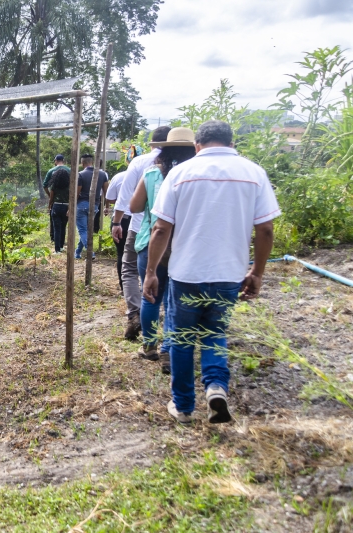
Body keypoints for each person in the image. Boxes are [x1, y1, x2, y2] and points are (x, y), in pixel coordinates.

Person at [142, 120, 280, 425]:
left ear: (197, 146)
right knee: (214, 333)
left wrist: (151, 271)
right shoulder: (253, 173)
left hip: (186, 273)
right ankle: (216, 387)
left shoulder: (180, 173)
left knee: (181, 339)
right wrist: (257, 272)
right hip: (228, 274)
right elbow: (266, 229)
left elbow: (161, 228)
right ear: (232, 144)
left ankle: (184, 407)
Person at [129, 127, 197, 375]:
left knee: (150, 295)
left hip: (152, 241)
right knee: (174, 300)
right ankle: (169, 348)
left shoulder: (151, 174)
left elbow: (135, 207)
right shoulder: (194, 175)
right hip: (183, 244)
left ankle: (149, 346)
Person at [112, 126, 171, 340]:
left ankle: (135, 314)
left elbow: (126, 198)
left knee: (129, 269)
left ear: (151, 143)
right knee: (169, 279)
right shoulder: (185, 164)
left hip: (141, 229)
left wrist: (116, 222)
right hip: (175, 234)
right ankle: (168, 337)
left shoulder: (141, 163)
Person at [74, 154, 108, 260]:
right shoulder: (103, 174)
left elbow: (77, 192)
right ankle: (78, 252)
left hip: (82, 204)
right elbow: (106, 192)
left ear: (82, 163)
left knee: (83, 230)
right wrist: (107, 206)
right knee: (86, 230)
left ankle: (90, 252)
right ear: (92, 162)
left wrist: (71, 207)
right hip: (95, 205)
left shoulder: (81, 174)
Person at [104, 170, 129, 292]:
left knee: (122, 253)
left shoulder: (119, 176)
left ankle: (124, 288)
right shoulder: (151, 174)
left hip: (122, 220)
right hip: (142, 220)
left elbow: (109, 197)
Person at [47, 167, 79, 253]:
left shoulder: (55, 185)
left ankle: (57, 249)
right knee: (63, 227)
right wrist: (70, 209)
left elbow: (51, 197)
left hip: (56, 206)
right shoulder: (69, 186)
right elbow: (71, 198)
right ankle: (61, 246)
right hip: (66, 207)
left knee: (56, 228)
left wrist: (49, 206)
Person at [43, 154, 70, 242]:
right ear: (63, 160)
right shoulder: (69, 170)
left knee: (54, 221)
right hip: (66, 201)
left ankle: (53, 238)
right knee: (64, 222)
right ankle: (61, 241)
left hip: (55, 202)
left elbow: (45, 185)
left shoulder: (51, 171)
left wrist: (50, 195)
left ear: (55, 161)